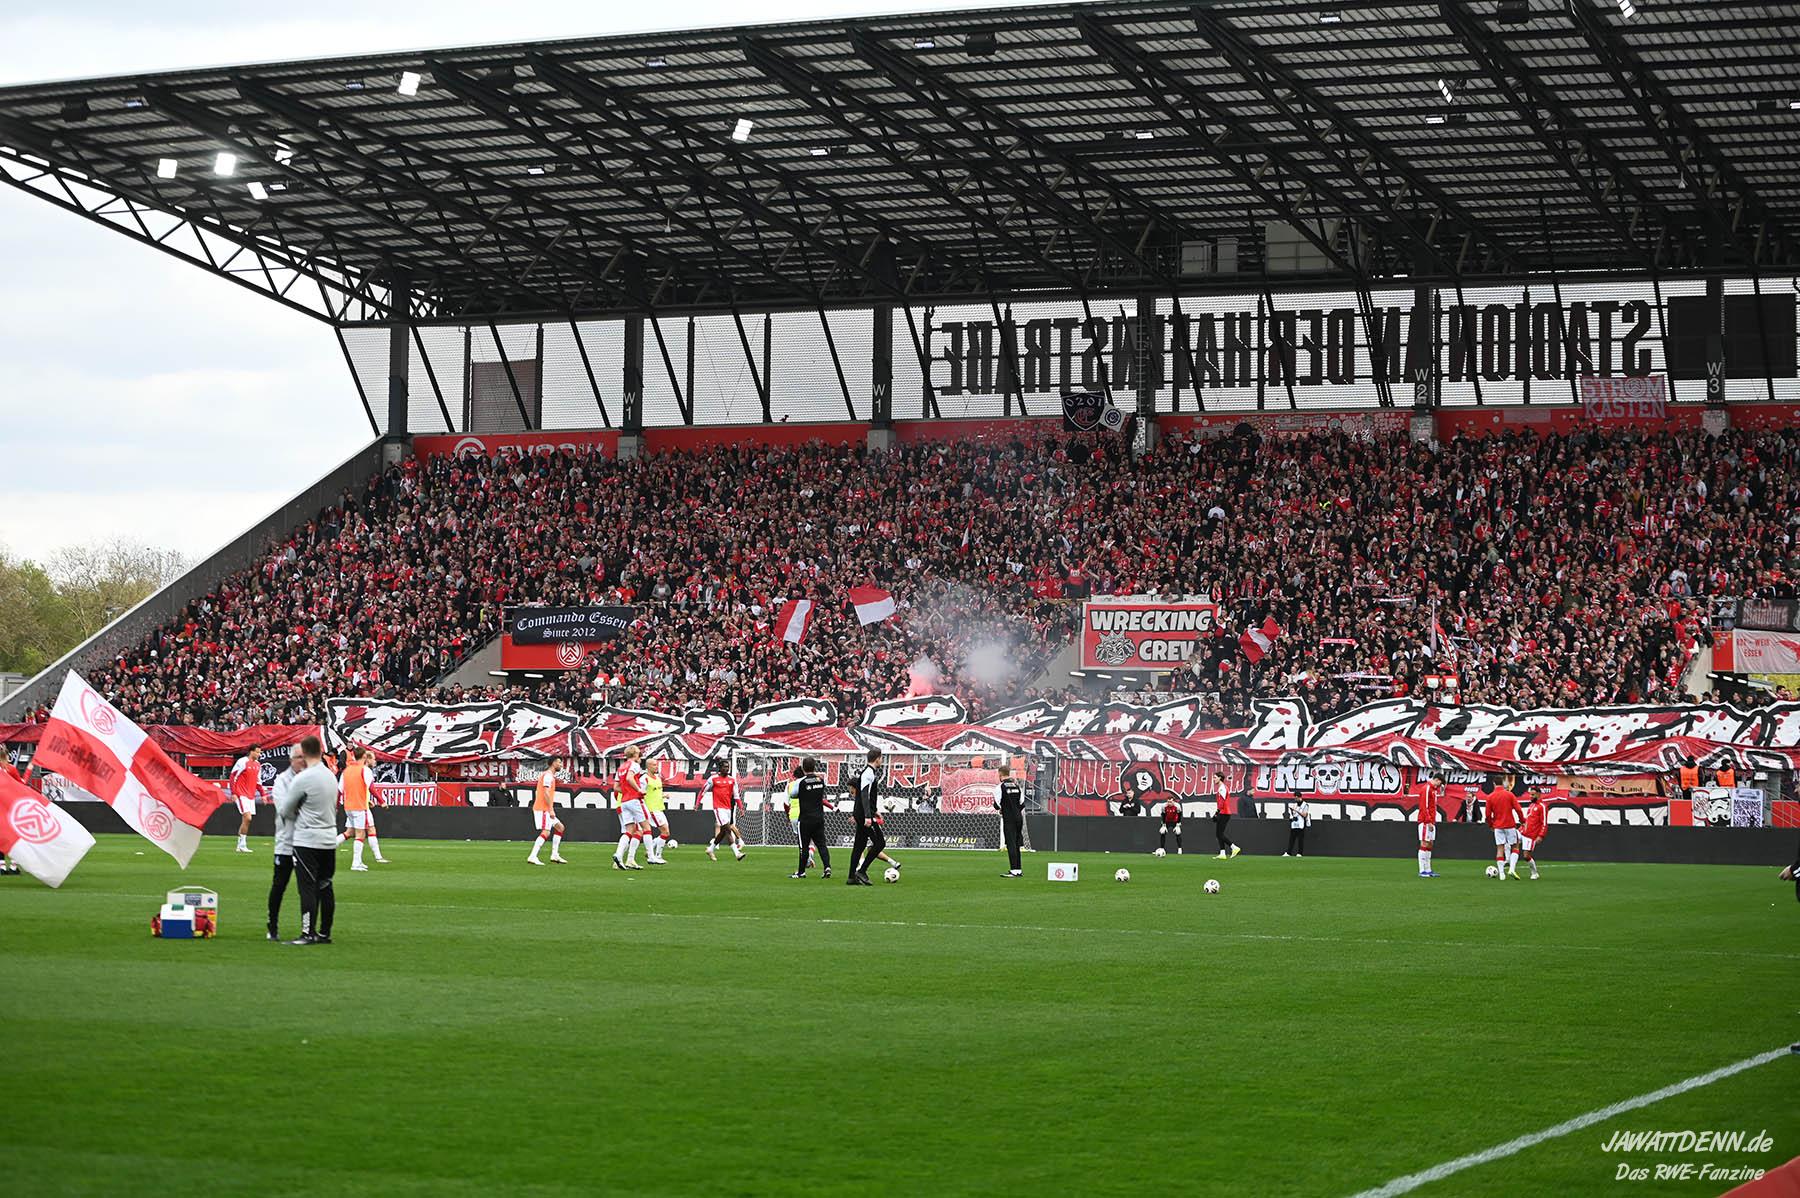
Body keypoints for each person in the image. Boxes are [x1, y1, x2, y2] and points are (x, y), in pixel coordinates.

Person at [277, 735, 340, 945]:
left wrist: (298, 809)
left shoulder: (303, 778)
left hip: (307, 840)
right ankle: (325, 933)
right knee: (325, 885)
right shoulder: (331, 776)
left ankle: (307, 933)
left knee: (307, 888)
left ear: (303, 754)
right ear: (320, 751)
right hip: (329, 838)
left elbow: (285, 810)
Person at [268, 745, 303, 940]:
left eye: (304, 757)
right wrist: (305, 809)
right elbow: (284, 810)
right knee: (279, 886)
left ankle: (308, 929)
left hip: (307, 843)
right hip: (286, 842)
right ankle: (272, 926)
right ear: (291, 760)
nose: (302, 760)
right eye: (299, 757)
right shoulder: (282, 780)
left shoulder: (310, 778)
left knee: (307, 889)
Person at [848, 748, 891, 886]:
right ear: (877, 758)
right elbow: (864, 795)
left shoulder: (869, 772)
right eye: (881, 758)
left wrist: (874, 810)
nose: (881, 760)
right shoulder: (868, 773)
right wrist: (868, 816)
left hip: (862, 813)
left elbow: (867, 796)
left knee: (859, 845)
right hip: (864, 815)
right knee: (880, 843)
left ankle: (851, 877)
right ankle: (862, 871)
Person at [340, 747, 386, 871]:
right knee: (361, 833)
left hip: (348, 806)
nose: (374, 761)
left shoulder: (347, 770)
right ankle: (356, 863)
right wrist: (381, 801)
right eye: (373, 758)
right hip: (360, 806)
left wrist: (336, 806)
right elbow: (371, 787)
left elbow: (340, 790)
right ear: (365, 757)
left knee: (350, 832)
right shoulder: (364, 770)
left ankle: (327, 848)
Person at [789, 757, 832, 879]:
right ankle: (827, 867)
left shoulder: (800, 782)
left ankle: (801, 872)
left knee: (804, 846)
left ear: (803, 768)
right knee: (822, 844)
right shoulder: (820, 780)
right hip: (819, 817)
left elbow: (793, 795)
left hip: (805, 819)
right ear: (814, 767)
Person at [612, 746, 650, 871]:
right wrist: (638, 790)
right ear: (635, 754)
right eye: (639, 753)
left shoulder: (621, 767)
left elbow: (615, 787)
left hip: (623, 802)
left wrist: (626, 791)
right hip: (634, 800)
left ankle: (619, 855)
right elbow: (629, 778)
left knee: (629, 831)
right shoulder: (634, 765)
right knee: (644, 828)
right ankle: (650, 856)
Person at [528, 755, 569, 866]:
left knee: (560, 827)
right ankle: (533, 856)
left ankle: (554, 855)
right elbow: (546, 793)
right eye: (559, 762)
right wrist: (551, 809)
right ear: (553, 763)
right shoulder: (548, 776)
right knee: (546, 832)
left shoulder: (549, 776)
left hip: (544, 808)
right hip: (543, 808)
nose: (561, 765)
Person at [702, 759, 745, 862]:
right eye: (725, 767)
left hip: (728, 808)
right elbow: (703, 790)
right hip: (718, 808)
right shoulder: (713, 779)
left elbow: (736, 796)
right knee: (728, 829)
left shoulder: (732, 780)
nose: (727, 769)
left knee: (723, 831)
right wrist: (697, 803)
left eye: (728, 767)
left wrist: (741, 808)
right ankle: (737, 853)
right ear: (720, 768)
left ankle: (710, 849)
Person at [1482, 776, 1522, 880]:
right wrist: (1522, 820)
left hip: (1498, 826)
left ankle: (1501, 874)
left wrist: (1491, 825)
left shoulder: (1490, 797)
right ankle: (1512, 869)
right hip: (1510, 825)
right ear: (1503, 783)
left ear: (1494, 784)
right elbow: (1518, 809)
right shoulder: (1509, 794)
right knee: (1515, 846)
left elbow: (1487, 815)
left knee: (1500, 848)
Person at [229, 744, 262, 853]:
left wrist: (263, 794)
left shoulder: (258, 765)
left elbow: (258, 782)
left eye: (260, 752)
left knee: (246, 821)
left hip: (251, 795)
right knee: (248, 818)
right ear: (251, 752)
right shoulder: (242, 761)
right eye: (257, 752)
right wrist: (233, 792)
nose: (259, 754)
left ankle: (240, 846)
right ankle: (242, 845)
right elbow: (233, 776)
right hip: (241, 794)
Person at [997, 762, 1026, 877]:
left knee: (1011, 843)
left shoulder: (1000, 787)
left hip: (1009, 818)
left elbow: (996, 804)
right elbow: (1022, 803)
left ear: (1000, 774)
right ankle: (1018, 869)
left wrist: (1003, 810)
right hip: (1019, 818)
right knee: (1017, 843)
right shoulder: (1017, 786)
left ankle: (1014, 870)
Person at [1415, 772, 1445, 878]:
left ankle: (1428, 869)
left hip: (1431, 821)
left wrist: (1432, 821)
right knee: (1424, 843)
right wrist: (1428, 821)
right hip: (1425, 822)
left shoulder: (1433, 790)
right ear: (1436, 780)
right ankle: (1422, 870)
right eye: (1439, 783)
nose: (1439, 786)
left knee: (1430, 844)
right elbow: (1424, 806)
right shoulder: (1427, 788)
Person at [643, 756, 671, 864]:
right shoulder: (644, 779)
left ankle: (651, 848)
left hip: (659, 808)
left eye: (656, 764)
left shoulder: (658, 778)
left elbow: (655, 793)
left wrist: (664, 795)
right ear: (648, 766)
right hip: (651, 809)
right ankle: (657, 855)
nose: (656, 766)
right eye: (654, 765)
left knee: (666, 832)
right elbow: (640, 793)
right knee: (665, 831)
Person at [1519, 788, 1548, 880]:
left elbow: (1544, 823)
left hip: (1531, 835)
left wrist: (1541, 835)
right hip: (1523, 832)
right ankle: (1506, 863)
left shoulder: (1542, 806)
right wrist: (1521, 827)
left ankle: (1534, 873)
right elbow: (1528, 820)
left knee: (1526, 856)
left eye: (1532, 795)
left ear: (1539, 794)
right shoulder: (1531, 805)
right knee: (1509, 840)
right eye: (1530, 794)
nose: (1530, 796)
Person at [1212, 771, 1240, 859]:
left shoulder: (1222, 788)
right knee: (1219, 834)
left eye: (1215, 777)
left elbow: (1222, 802)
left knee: (1219, 834)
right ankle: (1222, 853)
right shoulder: (1222, 787)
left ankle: (1234, 847)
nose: (1213, 779)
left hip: (1224, 813)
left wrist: (1217, 813)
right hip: (1223, 812)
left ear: (1220, 778)